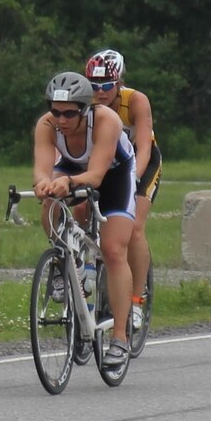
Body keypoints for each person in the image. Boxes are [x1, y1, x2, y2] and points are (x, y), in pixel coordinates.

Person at [33, 71, 136, 369]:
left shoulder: (107, 121)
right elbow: (42, 169)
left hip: (114, 173)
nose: (61, 120)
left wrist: (66, 181)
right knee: (51, 204)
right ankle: (63, 263)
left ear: (85, 110)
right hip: (72, 168)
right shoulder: (46, 125)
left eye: (69, 113)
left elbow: (97, 175)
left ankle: (120, 337)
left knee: (115, 249)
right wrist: (43, 184)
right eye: (55, 111)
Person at [85, 49, 162, 331]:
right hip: (105, 164)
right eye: (94, 86)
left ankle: (136, 299)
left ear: (119, 83)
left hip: (140, 164)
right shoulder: (85, 102)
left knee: (134, 229)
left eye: (106, 86)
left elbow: (143, 146)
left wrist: (132, 181)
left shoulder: (136, 101)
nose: (100, 92)